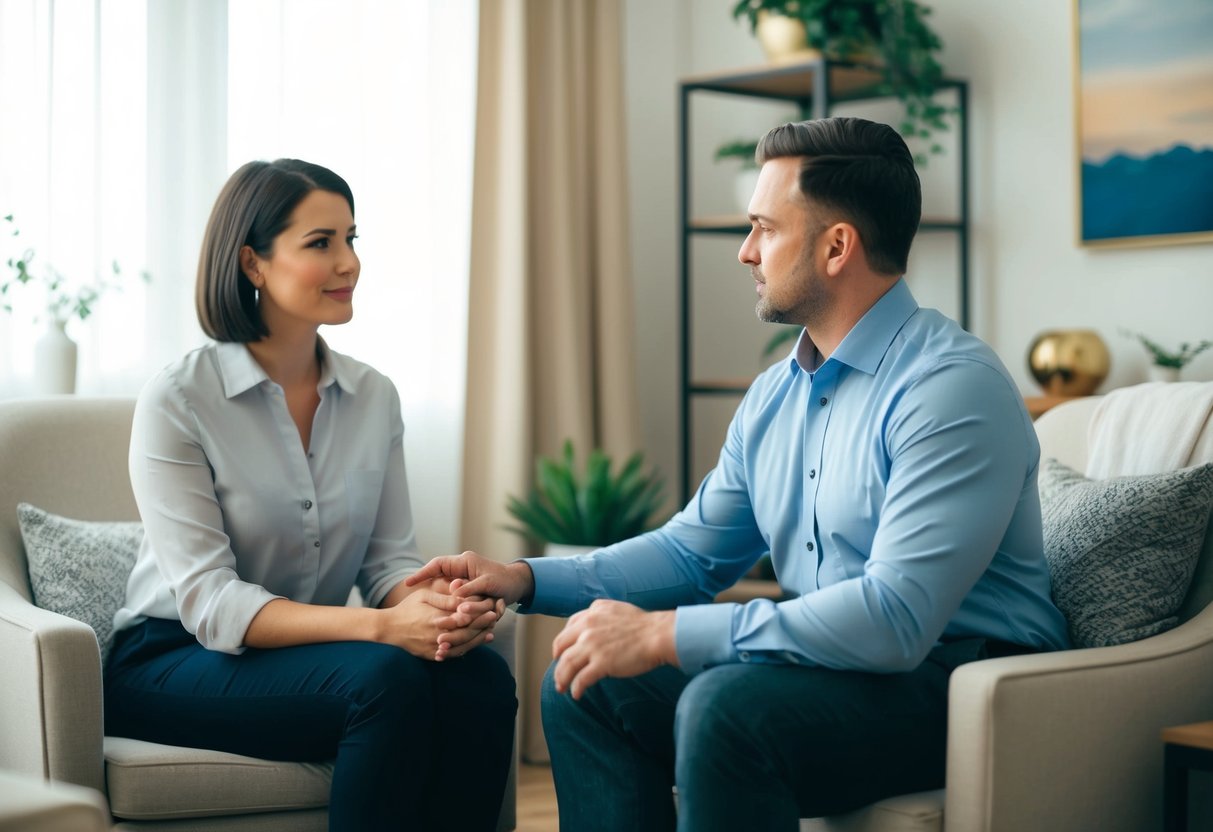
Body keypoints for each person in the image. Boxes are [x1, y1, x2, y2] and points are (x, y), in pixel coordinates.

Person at [407, 117, 1070, 831]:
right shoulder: (775, 396)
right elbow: (691, 553)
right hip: (841, 672)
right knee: (584, 684)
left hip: (962, 685)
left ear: (836, 246)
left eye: (763, 227)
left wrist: (664, 634)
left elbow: (895, 620)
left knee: (724, 708)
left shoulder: (948, 388)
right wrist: (524, 579)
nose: (745, 253)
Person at [104, 159, 516, 831]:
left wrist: (435, 608)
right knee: (384, 682)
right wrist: (384, 629)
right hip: (173, 658)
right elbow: (210, 603)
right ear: (252, 263)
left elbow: (385, 564)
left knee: (479, 681)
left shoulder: (373, 396)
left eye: (352, 239)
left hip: (304, 658)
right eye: (320, 242)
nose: (349, 262)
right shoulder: (178, 399)